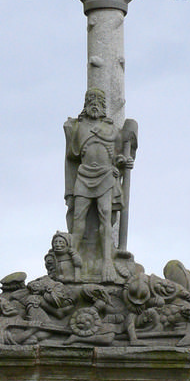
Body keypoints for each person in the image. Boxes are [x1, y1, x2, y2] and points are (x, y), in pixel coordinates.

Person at [64, 89, 132, 281]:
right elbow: (72, 155)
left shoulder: (111, 129)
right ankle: (73, 258)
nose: (94, 104)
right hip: (84, 175)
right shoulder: (79, 126)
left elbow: (118, 154)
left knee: (105, 218)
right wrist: (69, 132)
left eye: (98, 101)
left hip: (105, 176)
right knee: (79, 218)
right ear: (85, 103)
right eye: (90, 100)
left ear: (103, 105)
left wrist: (123, 162)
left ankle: (107, 261)